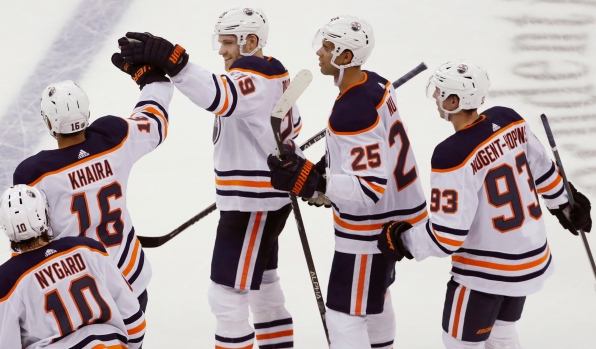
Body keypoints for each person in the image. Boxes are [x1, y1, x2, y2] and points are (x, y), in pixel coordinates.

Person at [116, 7, 301, 348]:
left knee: (225, 298)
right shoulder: (274, 72)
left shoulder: (255, 76)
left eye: (229, 42)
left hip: (252, 204)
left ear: (251, 41)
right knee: (263, 286)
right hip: (262, 199)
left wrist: (178, 64)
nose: (221, 50)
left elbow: (219, 95)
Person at [377, 60, 592, 349]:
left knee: (459, 343)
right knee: (502, 337)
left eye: (440, 91)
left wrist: (403, 240)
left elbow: (447, 236)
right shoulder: (509, 119)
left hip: (485, 274)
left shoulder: (451, 154)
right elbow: (545, 171)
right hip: (528, 260)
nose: (435, 97)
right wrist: (566, 205)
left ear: (454, 101)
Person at [267, 16, 428, 349]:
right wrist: (323, 171)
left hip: (368, 230)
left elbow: (369, 189)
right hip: (396, 216)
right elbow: (370, 154)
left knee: (343, 315)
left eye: (327, 48)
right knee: (376, 300)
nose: (319, 53)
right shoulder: (377, 85)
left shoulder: (351, 111)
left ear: (345, 57)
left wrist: (318, 182)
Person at [12, 55, 173, 315]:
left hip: (80, 293)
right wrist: (151, 80)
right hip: (130, 276)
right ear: (86, 112)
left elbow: (30, 243)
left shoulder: (34, 174)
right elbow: (154, 122)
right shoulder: (113, 138)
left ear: (49, 122)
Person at [0, 184, 146, 348]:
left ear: (5, 227)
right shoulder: (89, 249)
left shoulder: (2, 285)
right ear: (45, 213)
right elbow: (133, 317)